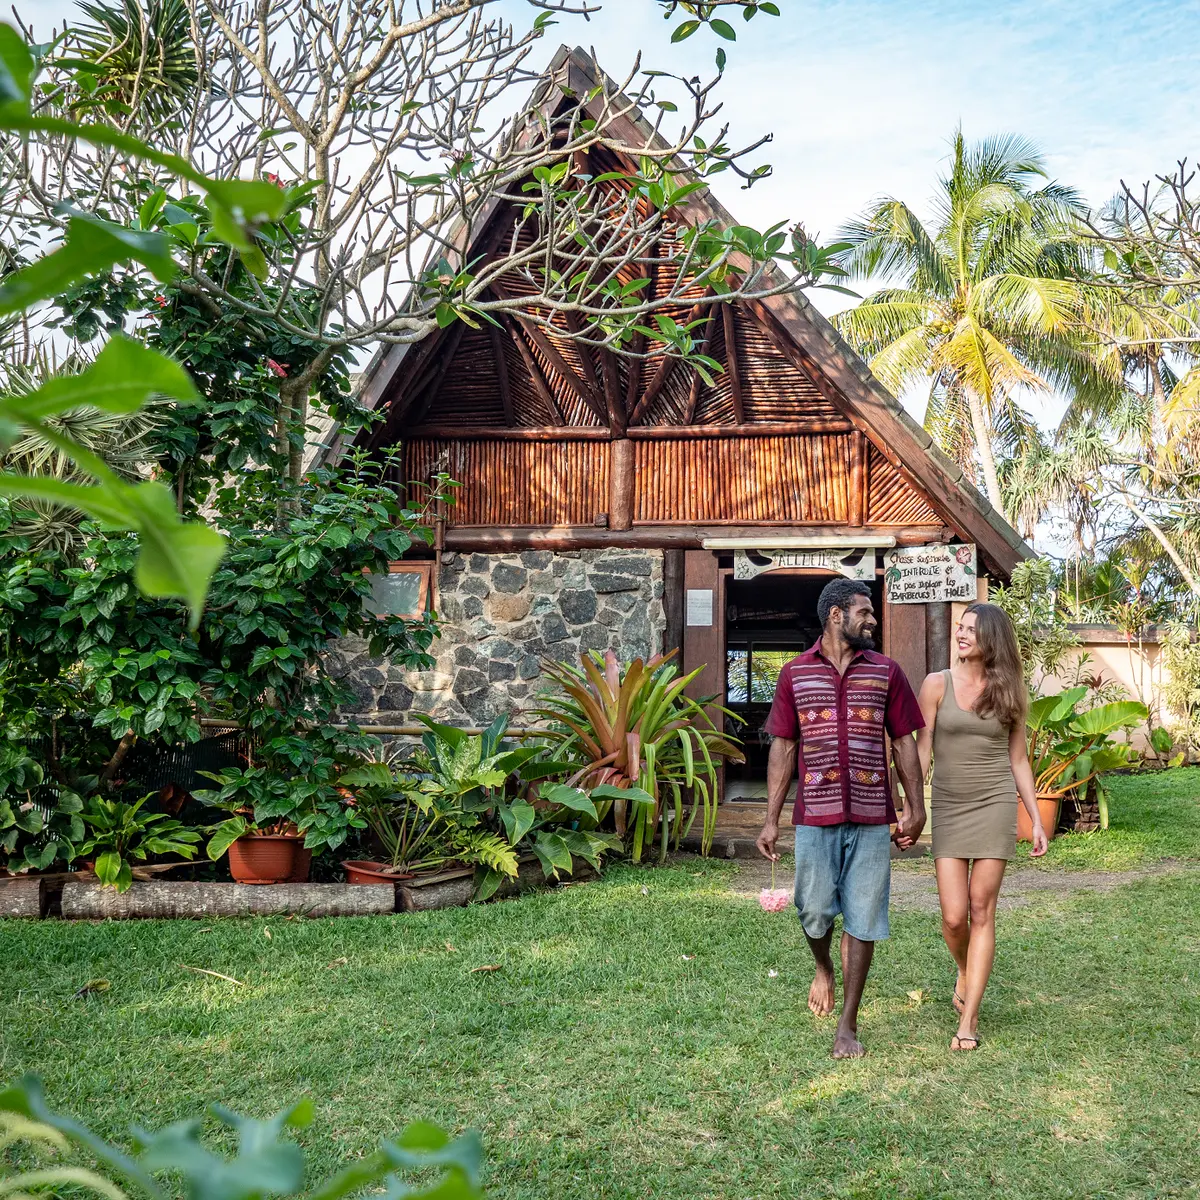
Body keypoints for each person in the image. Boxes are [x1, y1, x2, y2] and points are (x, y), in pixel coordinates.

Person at [756, 578, 926, 1059]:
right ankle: (824, 967)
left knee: (865, 917)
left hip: (873, 817)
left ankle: (847, 1024)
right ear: (835, 615)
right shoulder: (794, 675)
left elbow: (904, 742)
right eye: (864, 612)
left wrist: (916, 807)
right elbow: (784, 748)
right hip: (815, 815)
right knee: (813, 910)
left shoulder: (887, 672)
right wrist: (771, 819)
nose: (872, 620)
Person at [916, 602, 1048, 1053]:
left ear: (991, 639)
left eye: (971, 629)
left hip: (994, 804)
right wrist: (910, 804)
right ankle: (966, 968)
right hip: (950, 805)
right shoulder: (936, 685)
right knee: (953, 917)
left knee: (981, 908)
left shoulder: (1009, 691)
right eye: (961, 627)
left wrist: (1034, 819)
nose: (962, 633)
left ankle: (969, 1019)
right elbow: (921, 751)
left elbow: (1018, 760)